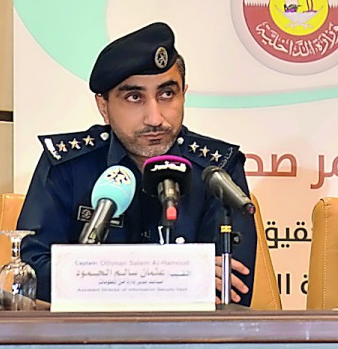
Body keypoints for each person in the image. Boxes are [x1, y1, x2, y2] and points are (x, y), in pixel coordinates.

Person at [18, 22, 258, 305]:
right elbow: (30, 272)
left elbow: (232, 287)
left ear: (184, 93)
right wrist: (177, 278)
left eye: (167, 94)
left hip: (189, 344)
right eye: (135, 97)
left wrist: (95, 279)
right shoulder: (67, 165)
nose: (155, 118)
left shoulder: (217, 169)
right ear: (103, 106)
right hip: (87, 342)